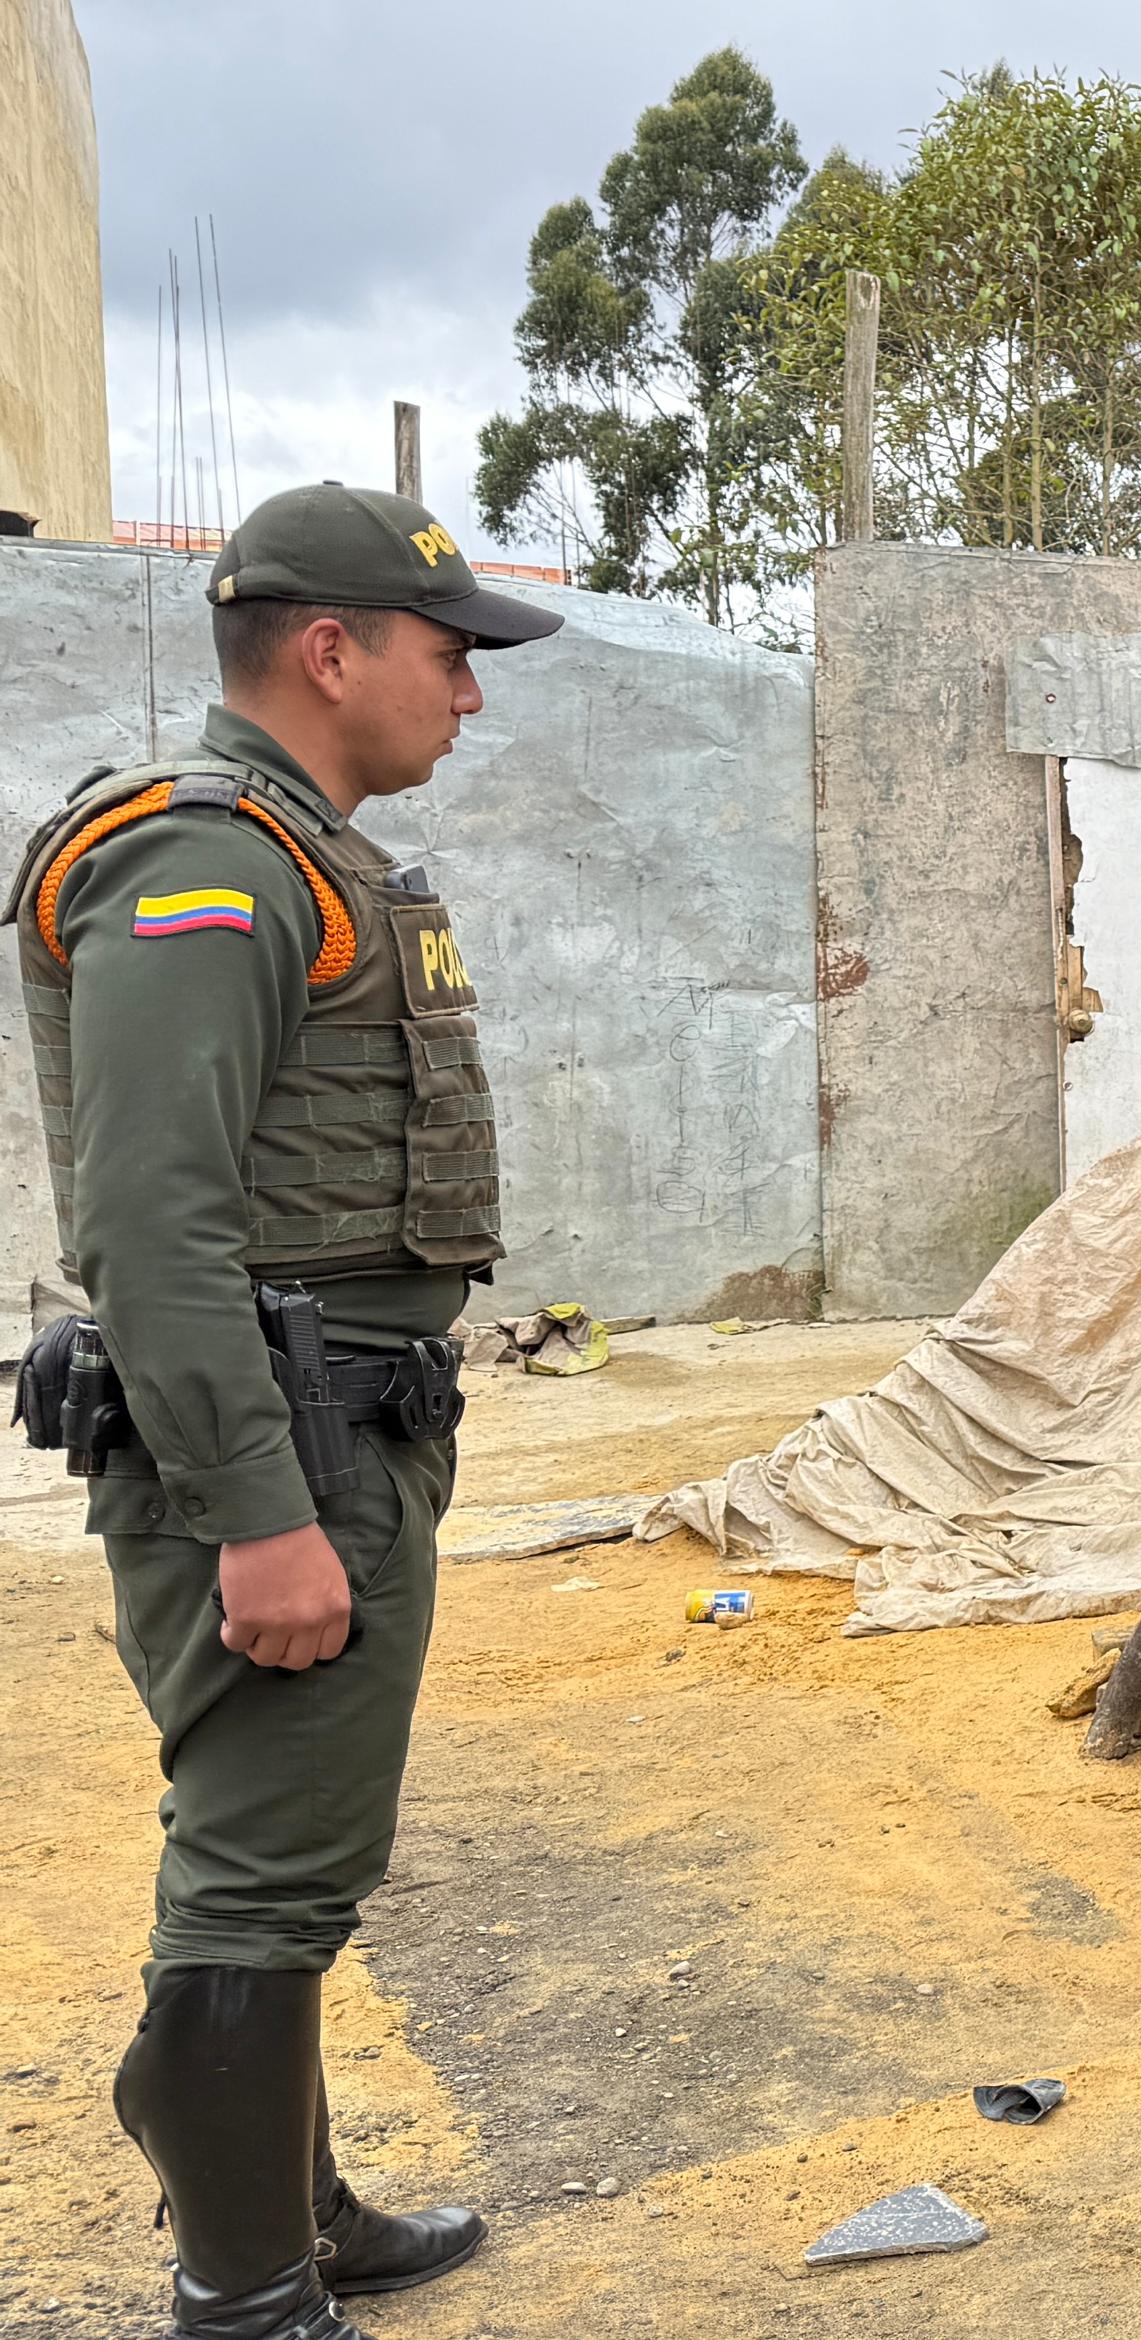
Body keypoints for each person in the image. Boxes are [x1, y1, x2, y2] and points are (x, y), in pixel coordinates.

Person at [19, 484, 551, 2340]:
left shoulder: (298, 854)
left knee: (283, 1848)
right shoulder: (211, 863)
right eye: (447, 653)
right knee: (262, 1869)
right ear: (329, 651)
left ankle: (290, 2207)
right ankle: (242, 2294)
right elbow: (150, 1225)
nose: (469, 695)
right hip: (278, 1445)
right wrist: (258, 1510)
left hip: (340, 1427)